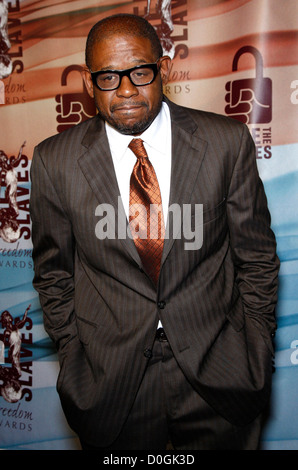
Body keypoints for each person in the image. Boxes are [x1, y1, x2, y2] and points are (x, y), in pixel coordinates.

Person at [30, 14, 279, 450]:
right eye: (108, 77)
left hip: (219, 379)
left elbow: (256, 259)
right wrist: (73, 353)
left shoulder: (226, 142)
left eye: (139, 72)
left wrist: (253, 351)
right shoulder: (55, 162)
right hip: (112, 389)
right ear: (89, 84)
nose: (126, 90)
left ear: (163, 70)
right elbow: (54, 275)